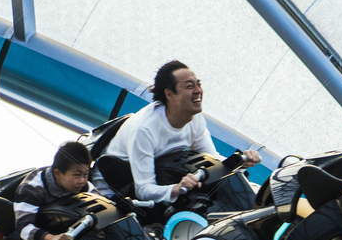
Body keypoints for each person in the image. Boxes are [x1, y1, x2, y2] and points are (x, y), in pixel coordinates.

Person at [97, 60, 260, 205]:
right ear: (169, 94)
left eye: (198, 84)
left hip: (161, 174)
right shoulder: (144, 130)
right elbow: (144, 190)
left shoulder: (195, 118)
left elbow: (212, 159)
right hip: (113, 189)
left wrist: (239, 162)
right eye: (189, 86)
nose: (198, 91)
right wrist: (176, 188)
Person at [14, 141, 95, 240]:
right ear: (57, 173)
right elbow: (23, 228)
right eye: (77, 175)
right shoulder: (32, 188)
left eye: (86, 174)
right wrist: (51, 238)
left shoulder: (83, 185)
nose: (82, 181)